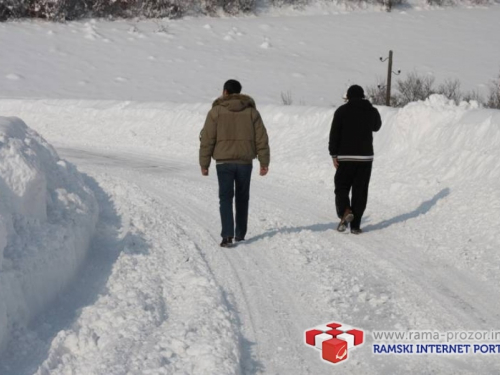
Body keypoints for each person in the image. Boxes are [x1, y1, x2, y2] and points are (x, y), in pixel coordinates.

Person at [199, 79, 270, 247]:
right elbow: (262, 138)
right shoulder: (252, 112)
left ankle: (227, 235)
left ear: (225, 92)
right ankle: (240, 234)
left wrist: (204, 163)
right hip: (245, 161)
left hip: (223, 162)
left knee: (225, 198)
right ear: (240, 92)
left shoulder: (215, 112)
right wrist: (264, 161)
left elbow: (207, 139)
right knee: (242, 197)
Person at [329, 85, 382, 234]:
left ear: (349, 97)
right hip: (365, 159)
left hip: (345, 158)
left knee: (341, 187)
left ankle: (345, 211)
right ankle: (356, 226)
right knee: (360, 191)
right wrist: (370, 108)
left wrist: (334, 155)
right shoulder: (370, 111)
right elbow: (377, 126)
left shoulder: (341, 111)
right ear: (363, 96)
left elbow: (334, 135)